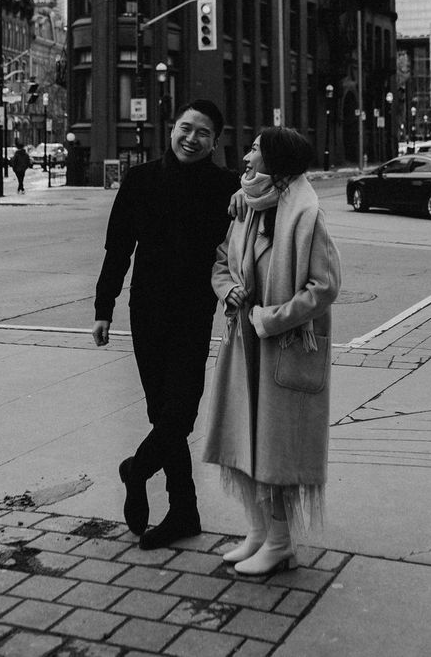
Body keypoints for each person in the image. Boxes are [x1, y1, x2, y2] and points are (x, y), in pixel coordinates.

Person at [93, 99, 241, 550]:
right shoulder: (141, 181)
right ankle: (184, 512)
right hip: (149, 312)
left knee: (182, 411)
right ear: (172, 129)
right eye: (184, 128)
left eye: (202, 133)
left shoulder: (227, 187)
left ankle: (136, 471)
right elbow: (118, 248)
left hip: (195, 314)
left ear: (215, 141)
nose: (190, 138)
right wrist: (104, 307)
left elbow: (247, 241)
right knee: (164, 413)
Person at [203, 127, 341, 577]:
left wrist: (271, 317)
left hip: (281, 350)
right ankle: (259, 532)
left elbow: (325, 287)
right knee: (245, 441)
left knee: (275, 449)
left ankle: (280, 542)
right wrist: (229, 292)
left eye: (256, 151)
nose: (246, 158)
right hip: (243, 349)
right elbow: (222, 260)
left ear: (276, 164)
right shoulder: (246, 208)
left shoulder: (305, 216)